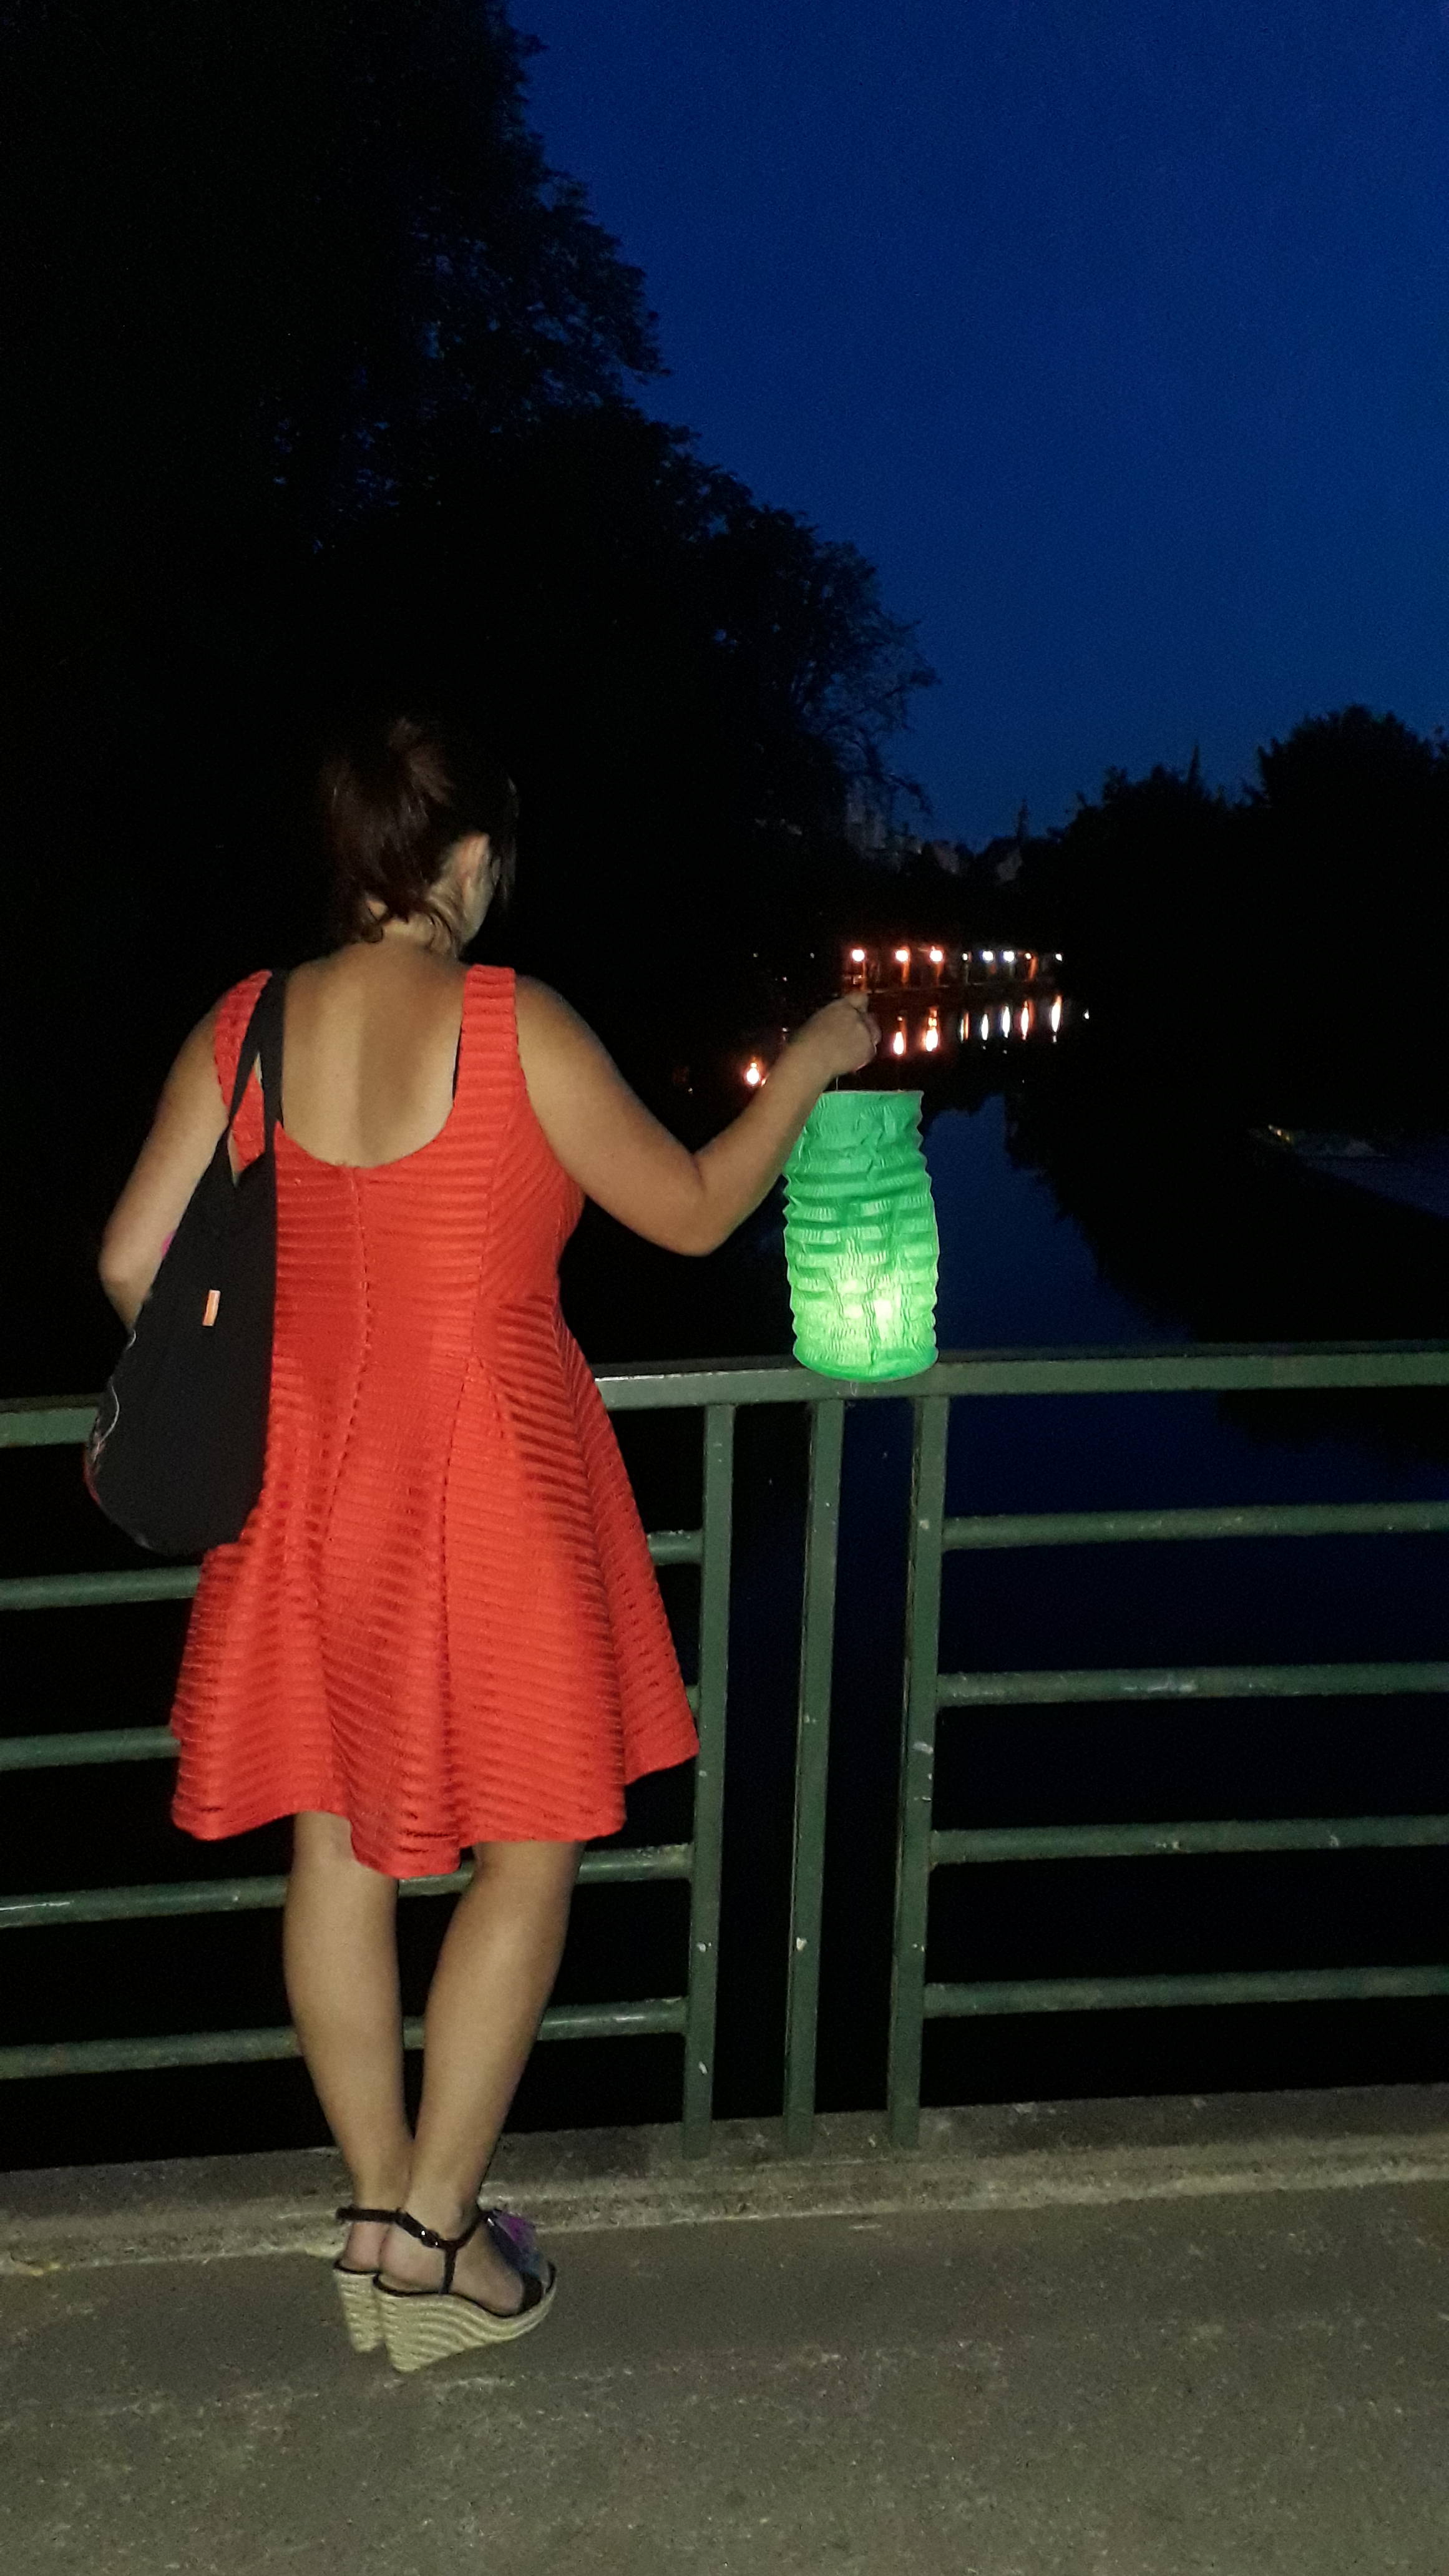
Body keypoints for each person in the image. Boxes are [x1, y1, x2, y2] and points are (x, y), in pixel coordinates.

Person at [97, 713, 879, 2370]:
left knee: (336, 1848)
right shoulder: (510, 1022)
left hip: (303, 1485)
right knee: (525, 1847)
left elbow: (127, 1268)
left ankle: (378, 2208)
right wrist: (805, 1067)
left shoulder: (244, 1023)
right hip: (493, 1486)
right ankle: (439, 2241)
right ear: (466, 860)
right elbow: (685, 1211)